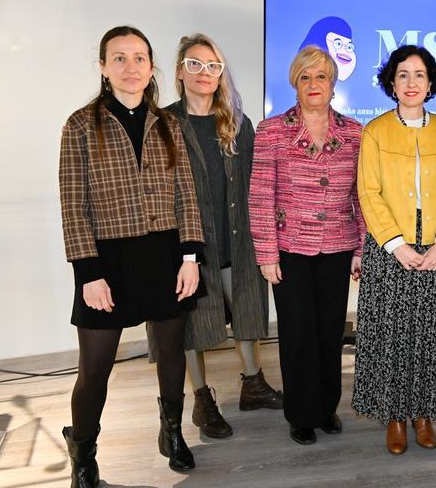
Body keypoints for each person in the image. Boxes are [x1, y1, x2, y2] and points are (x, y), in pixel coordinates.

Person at [59, 26, 203, 486]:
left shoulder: (168, 124)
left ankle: (172, 433)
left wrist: (190, 258)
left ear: (151, 66)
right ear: (103, 67)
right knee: (95, 368)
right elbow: (73, 204)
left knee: (171, 352)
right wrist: (88, 273)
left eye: (139, 57)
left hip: (165, 254)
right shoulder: (80, 125)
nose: (130, 67)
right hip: (107, 261)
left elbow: (186, 194)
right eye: (119, 58)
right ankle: (83, 454)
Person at [160, 33, 283, 441]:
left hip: (237, 238)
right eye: (195, 64)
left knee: (247, 310)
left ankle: (253, 383)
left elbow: (257, 183)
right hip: (187, 245)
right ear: (180, 72)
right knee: (192, 323)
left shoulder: (237, 123)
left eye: (213, 66)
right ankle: (201, 398)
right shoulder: (163, 124)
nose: (204, 72)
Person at [249, 45, 366, 446]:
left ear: (333, 84)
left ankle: (326, 407)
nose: (313, 84)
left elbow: (362, 195)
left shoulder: (354, 133)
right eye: (305, 77)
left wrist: (361, 248)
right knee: (297, 332)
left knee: (330, 332)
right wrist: (266, 254)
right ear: (295, 84)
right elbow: (260, 196)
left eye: (321, 76)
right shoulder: (271, 131)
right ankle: (300, 413)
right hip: (289, 251)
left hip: (337, 245)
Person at [352, 45, 436, 455]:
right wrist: (396, 244)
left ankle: (424, 414)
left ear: (431, 82)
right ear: (392, 83)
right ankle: (395, 417)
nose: (411, 82)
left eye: (419, 74)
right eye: (403, 75)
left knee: (430, 335)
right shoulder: (376, 131)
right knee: (391, 336)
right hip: (389, 248)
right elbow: (369, 192)